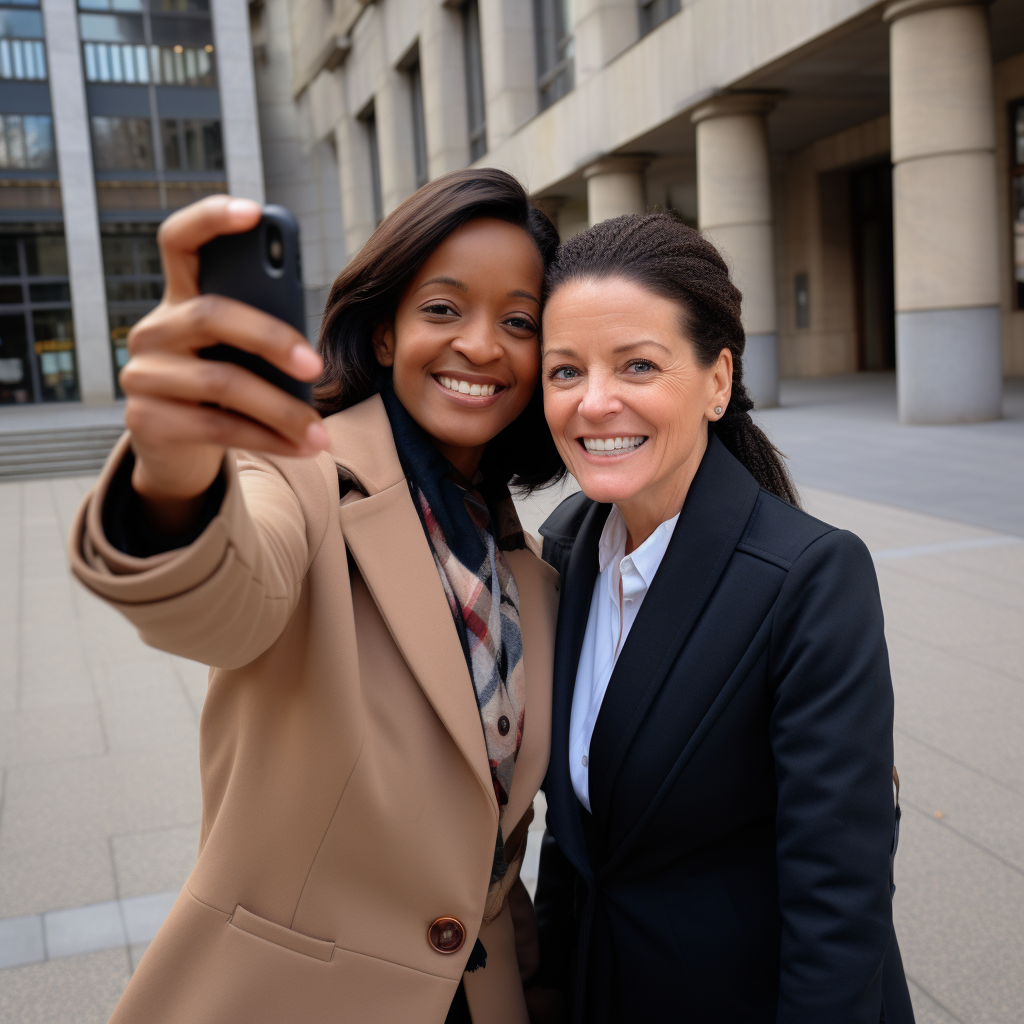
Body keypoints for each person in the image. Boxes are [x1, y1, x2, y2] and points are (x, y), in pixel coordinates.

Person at [67, 169, 565, 1024]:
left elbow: (484, 855)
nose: (482, 346)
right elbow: (223, 598)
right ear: (382, 335)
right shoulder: (302, 477)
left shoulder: (528, 568)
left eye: (517, 322)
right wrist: (180, 473)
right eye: (442, 309)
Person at [528, 213, 914, 1024]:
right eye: (565, 371)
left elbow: (838, 894)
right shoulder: (563, 548)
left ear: (716, 380)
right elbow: (576, 838)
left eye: (637, 364)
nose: (595, 402)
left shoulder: (807, 576)